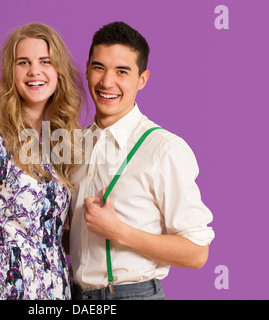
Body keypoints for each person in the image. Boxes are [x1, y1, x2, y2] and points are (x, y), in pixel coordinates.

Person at [69, 21, 215, 300]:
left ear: (142, 79)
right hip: (76, 296)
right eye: (99, 67)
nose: (107, 82)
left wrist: (118, 231)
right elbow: (78, 236)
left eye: (122, 71)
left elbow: (197, 253)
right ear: (87, 68)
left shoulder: (164, 149)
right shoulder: (75, 145)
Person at [0, 22, 83, 300]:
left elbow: (56, 234)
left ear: (58, 72)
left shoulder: (59, 144)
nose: (34, 71)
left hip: (57, 292)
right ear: (11, 73)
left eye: (45, 62)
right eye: (23, 62)